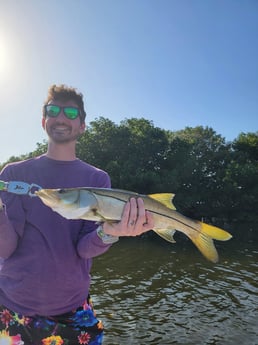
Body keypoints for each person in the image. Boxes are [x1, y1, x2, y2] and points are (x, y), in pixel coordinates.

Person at [0, 84, 154, 345]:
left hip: (72, 310)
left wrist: (110, 232)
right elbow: (5, 249)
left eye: (71, 113)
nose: (61, 118)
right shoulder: (13, 174)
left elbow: (84, 248)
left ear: (82, 126)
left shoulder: (97, 179)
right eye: (53, 111)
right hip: (12, 307)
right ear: (43, 121)